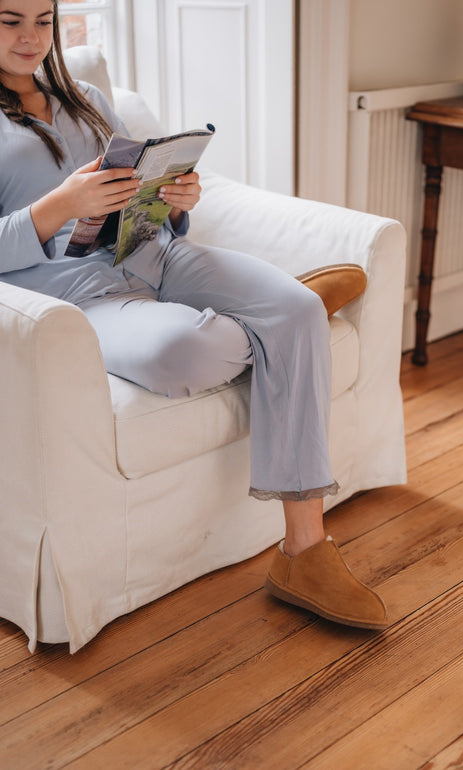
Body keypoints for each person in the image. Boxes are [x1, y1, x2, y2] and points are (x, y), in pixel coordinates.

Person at [0, 0, 388, 630]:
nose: (30, 37)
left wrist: (177, 199)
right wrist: (59, 205)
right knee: (193, 351)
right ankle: (288, 323)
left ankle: (305, 552)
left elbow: (144, 199)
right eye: (9, 20)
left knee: (289, 309)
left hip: (155, 252)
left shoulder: (89, 97)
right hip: (77, 296)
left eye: (42, 21)